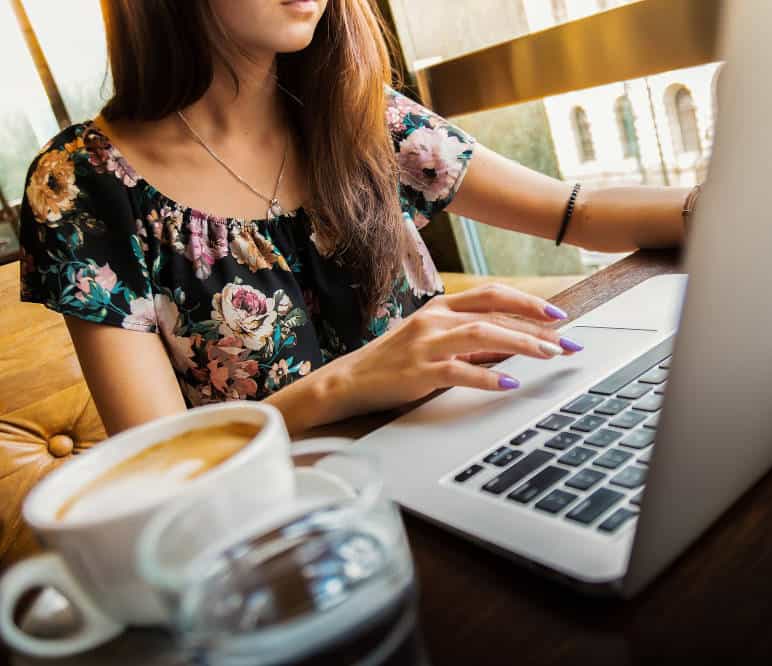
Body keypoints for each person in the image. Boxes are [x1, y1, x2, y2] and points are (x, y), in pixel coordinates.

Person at [18, 0, 691, 437]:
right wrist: (347, 383)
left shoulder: (359, 112)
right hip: (288, 532)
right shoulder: (82, 183)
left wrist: (729, 203)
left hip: (460, 447)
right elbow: (158, 463)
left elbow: (575, 212)